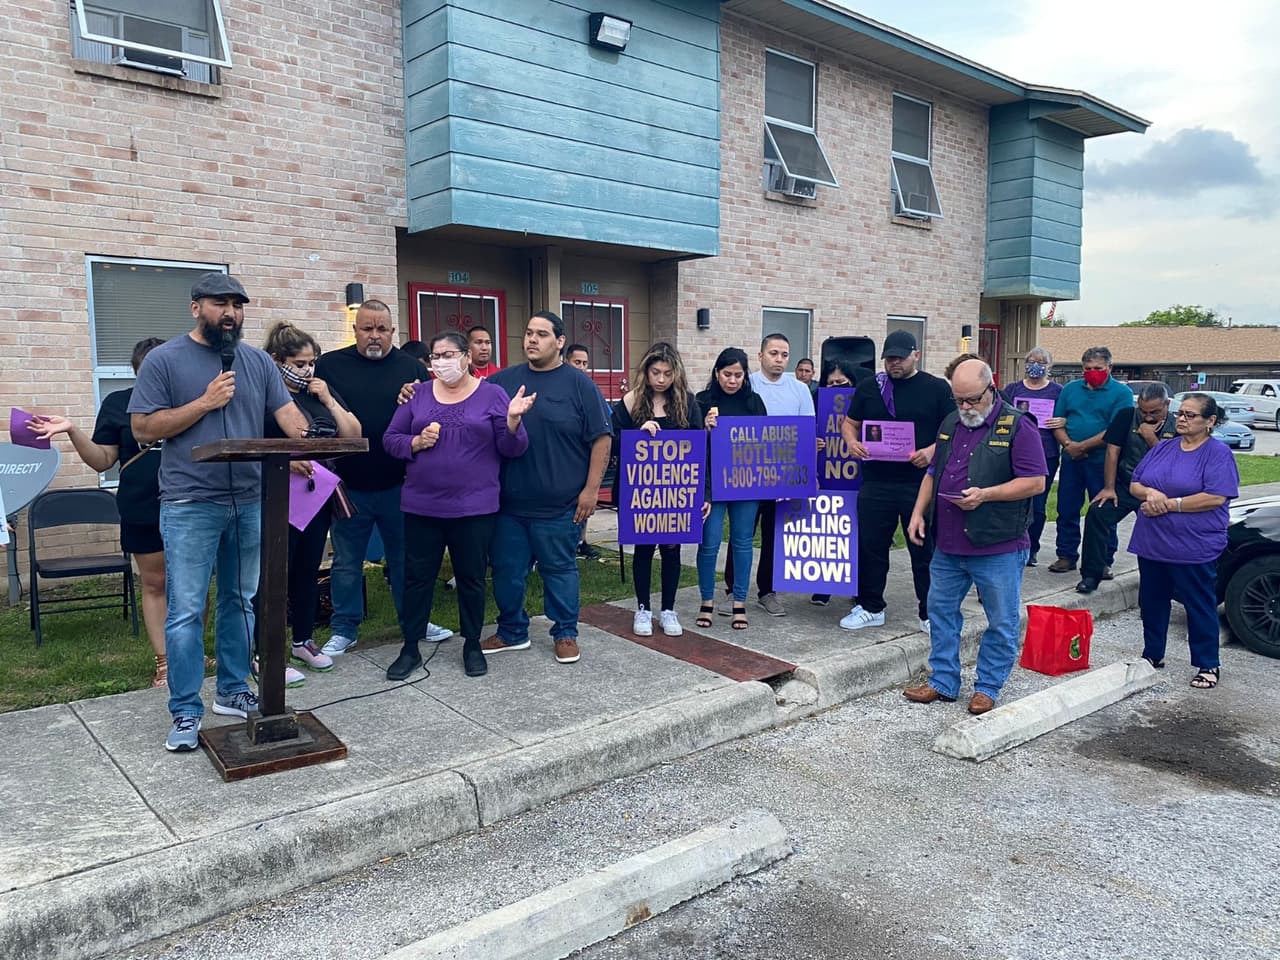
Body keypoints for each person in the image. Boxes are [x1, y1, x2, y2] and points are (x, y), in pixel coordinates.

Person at [127, 273, 308, 752]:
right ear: (196, 308)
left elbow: (288, 417)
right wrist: (205, 403)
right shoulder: (165, 360)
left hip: (249, 499)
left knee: (241, 599)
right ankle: (186, 709)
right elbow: (143, 428)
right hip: (190, 502)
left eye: (237, 305)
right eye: (220, 303)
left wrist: (311, 437)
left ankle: (232, 689)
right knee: (187, 608)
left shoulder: (257, 362)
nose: (230, 313)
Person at [384, 332, 532, 680]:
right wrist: (416, 442)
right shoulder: (417, 394)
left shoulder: (492, 395)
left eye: (448, 354)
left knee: (471, 578)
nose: (441, 362)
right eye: (435, 356)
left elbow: (513, 449)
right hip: (422, 506)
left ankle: (472, 644)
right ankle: (410, 647)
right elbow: (390, 439)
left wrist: (513, 422)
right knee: (417, 579)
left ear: (466, 357)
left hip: (473, 508)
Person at [904, 359, 1046, 714]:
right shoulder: (951, 422)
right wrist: (918, 512)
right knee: (940, 612)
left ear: (991, 389)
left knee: (1001, 620)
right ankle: (943, 680)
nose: (966, 407)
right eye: (959, 400)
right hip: (949, 542)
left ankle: (988, 686)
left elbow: (1035, 482)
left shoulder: (1019, 426)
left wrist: (986, 494)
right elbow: (933, 472)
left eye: (972, 399)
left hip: (997, 543)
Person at [30, 338, 169, 687]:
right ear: (139, 371)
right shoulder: (118, 403)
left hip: (192, 503)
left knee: (191, 585)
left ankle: (190, 652)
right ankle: (165, 661)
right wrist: (72, 430)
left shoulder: (192, 403)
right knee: (155, 583)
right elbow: (102, 459)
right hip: (141, 506)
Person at [315, 300, 451, 656]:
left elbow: (433, 416)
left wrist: (417, 400)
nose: (374, 336)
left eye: (381, 329)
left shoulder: (412, 368)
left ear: (393, 331)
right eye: (367, 329)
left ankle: (415, 622)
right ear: (355, 330)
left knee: (406, 558)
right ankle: (344, 628)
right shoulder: (329, 365)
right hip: (349, 483)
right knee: (347, 561)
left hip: (400, 483)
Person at [484, 312, 611, 664]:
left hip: (560, 505)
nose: (532, 339)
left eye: (541, 334)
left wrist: (591, 491)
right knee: (507, 572)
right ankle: (511, 630)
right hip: (509, 506)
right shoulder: (502, 382)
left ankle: (565, 632)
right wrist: (415, 390)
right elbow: (466, 402)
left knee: (559, 570)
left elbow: (602, 438)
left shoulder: (579, 385)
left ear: (559, 341)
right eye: (528, 333)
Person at [258, 321, 362, 686]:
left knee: (308, 570)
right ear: (277, 360)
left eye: (311, 362)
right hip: (276, 495)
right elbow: (251, 442)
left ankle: (302, 640)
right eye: (299, 364)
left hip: (316, 494)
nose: (306, 370)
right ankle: (265, 650)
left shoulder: (318, 393)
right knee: (274, 574)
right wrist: (286, 459)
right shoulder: (265, 396)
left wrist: (328, 398)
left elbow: (353, 435)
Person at [840, 330, 953, 633]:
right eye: (889, 358)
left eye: (900, 358)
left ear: (916, 355)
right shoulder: (870, 387)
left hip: (919, 483)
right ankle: (870, 606)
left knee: (923, 549)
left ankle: (929, 612)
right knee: (871, 547)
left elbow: (954, 430)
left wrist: (931, 451)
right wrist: (851, 442)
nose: (894, 363)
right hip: (876, 481)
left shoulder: (936, 388)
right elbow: (849, 423)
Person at [1128, 392, 1238, 689]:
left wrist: (1171, 504)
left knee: (1198, 604)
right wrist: (1150, 494)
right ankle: (1152, 654)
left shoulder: (1217, 453)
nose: (1182, 419)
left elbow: (1216, 496)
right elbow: (1135, 483)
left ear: (1210, 421)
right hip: (1153, 541)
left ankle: (1207, 663)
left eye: (1190, 415)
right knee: (1152, 601)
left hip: (1193, 545)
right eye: (1180, 413)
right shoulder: (1164, 447)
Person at [612, 342, 703, 638]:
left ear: (676, 374)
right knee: (643, 548)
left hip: (676, 491)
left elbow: (701, 449)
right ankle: (643, 609)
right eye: (655, 372)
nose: (661, 379)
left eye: (667, 373)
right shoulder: (630, 402)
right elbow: (611, 440)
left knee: (672, 549)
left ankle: (668, 609)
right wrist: (636, 434)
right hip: (640, 490)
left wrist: (704, 494)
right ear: (646, 372)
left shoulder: (688, 403)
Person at [721, 333, 815, 617]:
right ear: (760, 355)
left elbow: (807, 433)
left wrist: (808, 474)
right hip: (748, 474)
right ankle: (732, 590)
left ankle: (767, 591)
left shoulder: (799, 389)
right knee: (742, 533)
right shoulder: (747, 384)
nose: (779, 359)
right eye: (773, 353)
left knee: (775, 535)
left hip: (783, 476)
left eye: (784, 355)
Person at [1076, 382, 1177, 594]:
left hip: (1159, 490)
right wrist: (1109, 487)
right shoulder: (1126, 416)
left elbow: (1171, 461)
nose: (1147, 417)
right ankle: (1091, 574)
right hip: (1126, 484)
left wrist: (1150, 437)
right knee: (1097, 513)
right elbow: (1112, 452)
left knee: (1158, 532)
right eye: (1143, 411)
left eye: (1154, 412)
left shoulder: (1176, 426)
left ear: (1167, 404)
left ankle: (1158, 580)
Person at [696, 348, 766, 630]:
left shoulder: (754, 402)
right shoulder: (702, 401)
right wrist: (704, 428)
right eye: (727, 374)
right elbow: (691, 445)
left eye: (738, 375)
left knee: (743, 543)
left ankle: (739, 602)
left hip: (746, 484)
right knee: (709, 543)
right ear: (717, 373)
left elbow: (765, 443)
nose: (733, 380)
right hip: (712, 486)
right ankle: (706, 601)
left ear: (745, 376)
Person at [1049, 346, 1134, 573]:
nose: (1092, 372)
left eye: (1098, 368)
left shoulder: (1121, 393)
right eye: (1087, 368)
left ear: (1110, 368)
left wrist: (1083, 446)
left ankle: (1103, 560)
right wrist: (1069, 445)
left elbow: (1116, 429)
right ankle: (1066, 555)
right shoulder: (1070, 389)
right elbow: (1057, 422)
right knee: (1067, 508)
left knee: (1103, 511)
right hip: (1071, 459)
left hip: (1104, 461)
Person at [1000, 347, 1064, 566]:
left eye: (1041, 362)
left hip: (1046, 454)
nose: (1035, 365)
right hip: (1015, 453)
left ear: (1050, 366)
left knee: (1037, 504)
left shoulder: (1058, 391)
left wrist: (1063, 421)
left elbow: (1067, 415)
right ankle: (1012, 544)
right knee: (1014, 500)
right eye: (1031, 361)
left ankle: (1032, 547)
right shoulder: (1013, 389)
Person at [808, 358, 864, 607]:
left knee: (858, 534)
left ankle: (858, 586)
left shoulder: (863, 401)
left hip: (855, 477)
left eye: (841, 383)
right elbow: (803, 430)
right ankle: (824, 586)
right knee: (826, 531)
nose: (835, 387)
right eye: (830, 383)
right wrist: (812, 442)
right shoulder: (815, 401)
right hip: (825, 476)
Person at [565, 342, 606, 560]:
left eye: (585, 363)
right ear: (566, 361)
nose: (581, 367)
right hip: (564, 457)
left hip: (586, 455)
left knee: (585, 501)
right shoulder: (560, 387)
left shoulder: (591, 390)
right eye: (577, 362)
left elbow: (606, 423)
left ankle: (582, 541)